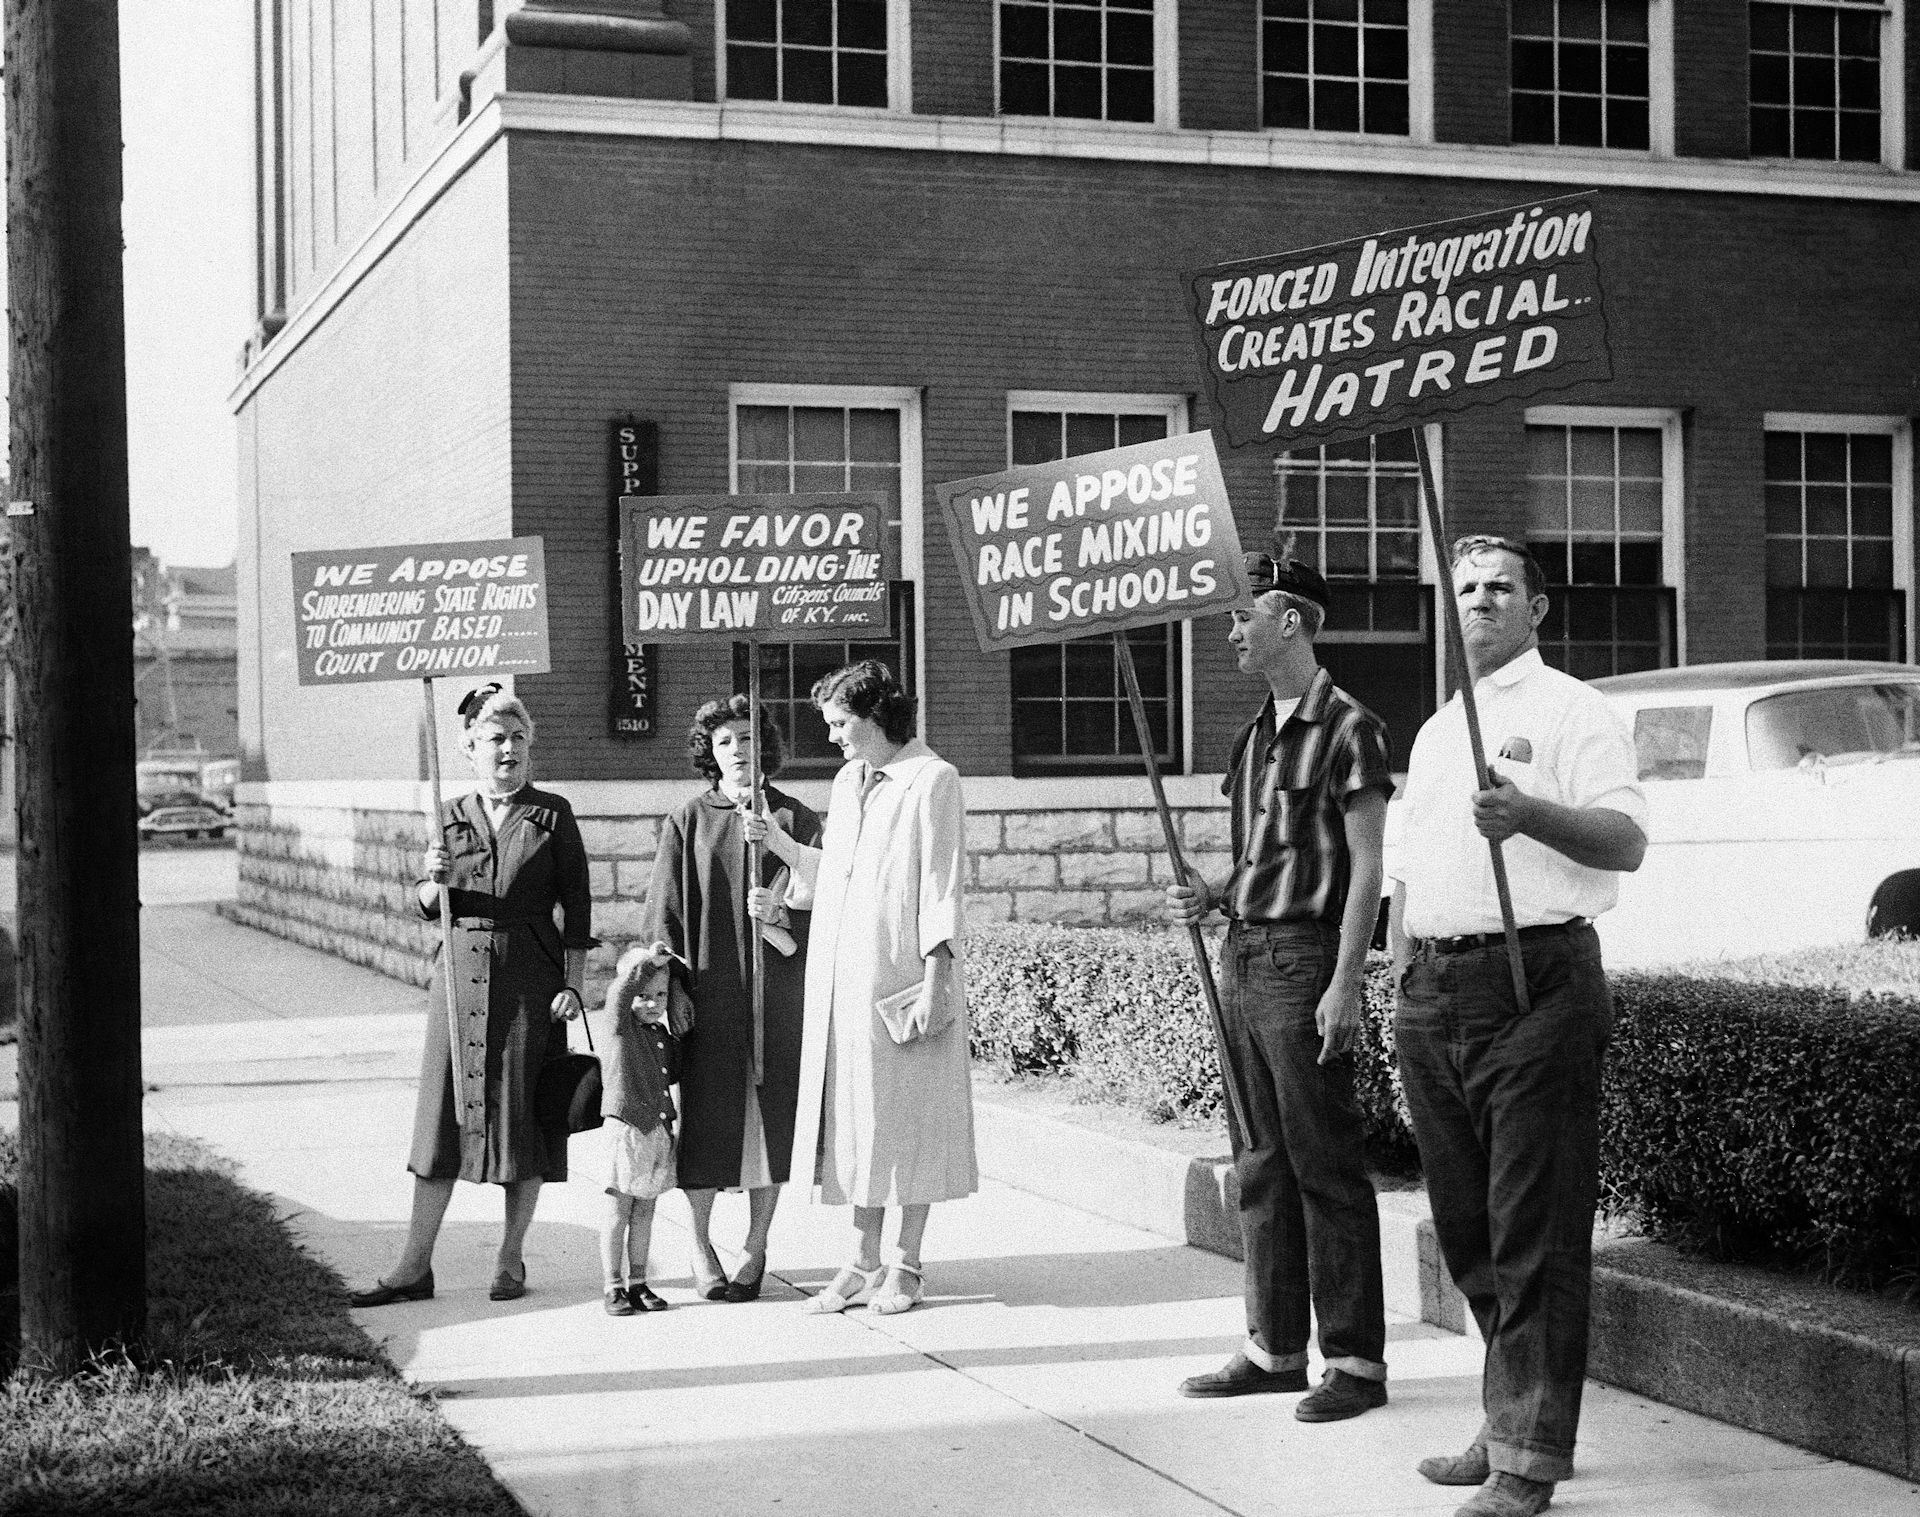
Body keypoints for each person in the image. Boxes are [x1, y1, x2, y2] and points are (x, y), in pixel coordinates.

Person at [1389, 536, 1647, 1517]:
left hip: (1536, 982)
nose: (1482, 600)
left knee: (1532, 1226)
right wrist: (1400, 969)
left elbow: (1626, 840)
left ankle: (1529, 1458)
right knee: (1469, 1229)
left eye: (1502, 587)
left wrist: (1528, 813)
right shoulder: (1436, 729)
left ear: (1536, 608)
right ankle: (1508, 1419)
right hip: (1436, 990)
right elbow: (1409, 869)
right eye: (1466, 588)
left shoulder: (1574, 710)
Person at [1165, 555, 1394, 1422]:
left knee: (1324, 1164)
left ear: (1290, 620)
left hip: (1303, 964)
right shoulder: (1254, 735)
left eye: (1242, 615)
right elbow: (1268, 856)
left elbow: (1367, 868)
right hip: (1244, 955)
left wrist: (1346, 981)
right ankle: (1274, 1350)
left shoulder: (1351, 729)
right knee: (1259, 1163)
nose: (1230, 631)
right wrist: (1215, 893)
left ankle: (1356, 1363)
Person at [353, 684, 594, 1306]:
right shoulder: (448, 813)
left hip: (530, 981)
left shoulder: (552, 813)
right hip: (458, 978)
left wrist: (573, 983)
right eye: (495, 740)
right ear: (469, 748)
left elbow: (578, 907)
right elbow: (425, 903)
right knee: (441, 1119)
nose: (508, 749)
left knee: (525, 1117)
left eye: (517, 738)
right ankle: (413, 1265)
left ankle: (510, 1258)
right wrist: (433, 881)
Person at [761, 659, 975, 1316]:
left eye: (839, 723)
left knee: (913, 1120)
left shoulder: (932, 779)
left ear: (875, 715)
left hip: (906, 976)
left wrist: (936, 981)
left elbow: (940, 885)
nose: (832, 736)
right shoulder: (848, 779)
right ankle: (861, 1261)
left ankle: (906, 1264)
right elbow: (838, 871)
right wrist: (779, 844)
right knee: (858, 1124)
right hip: (848, 979)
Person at [640, 695, 823, 1302]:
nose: (738, 750)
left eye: (747, 738)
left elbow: (831, 903)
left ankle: (756, 1245)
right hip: (710, 989)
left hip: (779, 992)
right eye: (725, 742)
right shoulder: (688, 820)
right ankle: (699, 1242)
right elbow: (664, 913)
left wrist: (782, 913)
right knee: (707, 1117)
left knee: (772, 1117)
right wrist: (669, 987)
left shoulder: (796, 818)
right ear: (709, 754)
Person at [594, 944, 685, 1315]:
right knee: (618, 1212)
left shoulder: (659, 1033)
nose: (652, 1003)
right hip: (628, 1130)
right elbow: (621, 992)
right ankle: (612, 1285)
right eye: (643, 996)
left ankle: (638, 1282)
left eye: (660, 995)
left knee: (645, 1213)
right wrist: (649, 963)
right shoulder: (620, 1027)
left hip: (658, 1129)